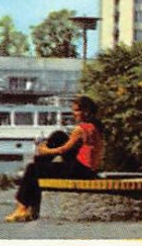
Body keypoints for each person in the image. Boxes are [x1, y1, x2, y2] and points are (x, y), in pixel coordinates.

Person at [6, 94, 105, 222]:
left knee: (32, 169)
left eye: (76, 110)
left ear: (85, 111)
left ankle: (22, 208)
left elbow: (63, 150)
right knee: (59, 136)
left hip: (80, 170)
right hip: (88, 169)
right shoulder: (97, 126)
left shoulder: (80, 129)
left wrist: (44, 150)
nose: (73, 113)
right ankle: (39, 164)